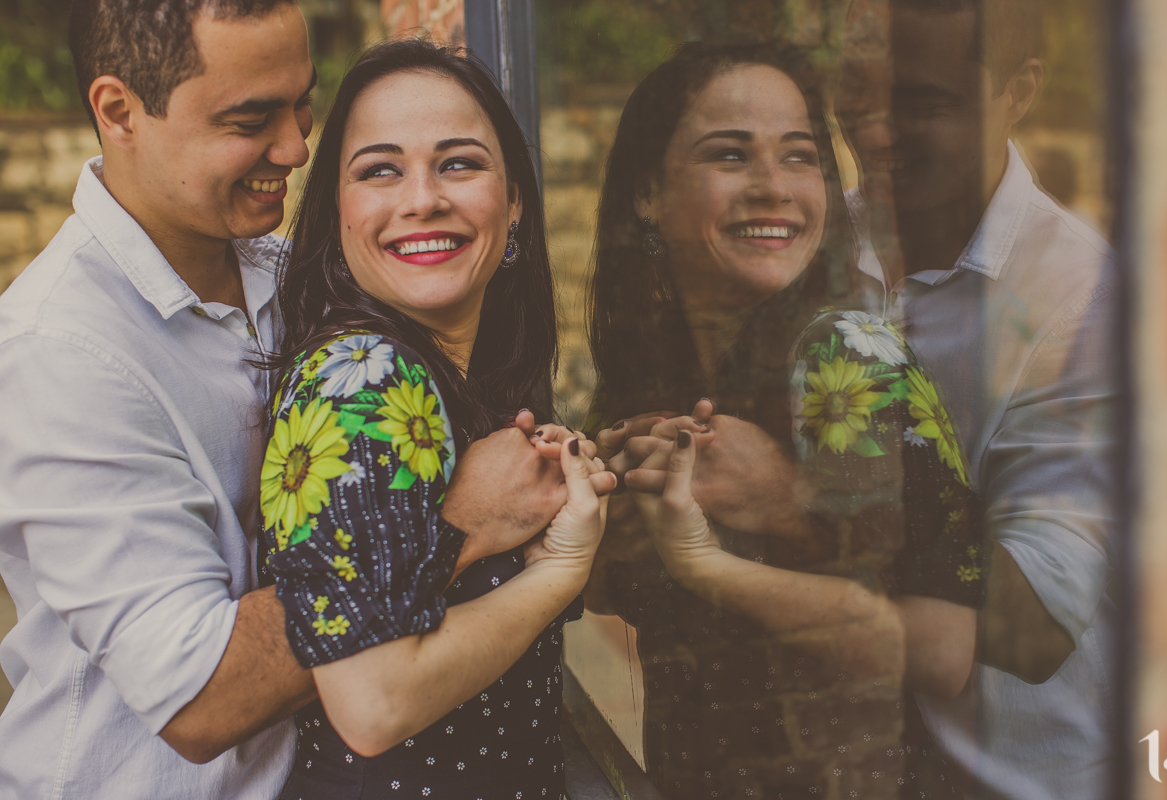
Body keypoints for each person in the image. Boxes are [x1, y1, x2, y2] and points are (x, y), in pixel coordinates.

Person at [0, 3, 578, 797]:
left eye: (301, 102)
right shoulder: (59, 353)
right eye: (250, 118)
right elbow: (200, 699)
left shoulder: (293, 270)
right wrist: (454, 522)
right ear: (119, 110)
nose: (296, 145)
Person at [584, 41, 989, 799]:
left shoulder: (846, 358)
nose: (773, 187)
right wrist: (597, 521)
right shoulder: (654, 372)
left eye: (799, 156)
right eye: (730, 155)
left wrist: (719, 555)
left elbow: (942, 650)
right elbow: (623, 598)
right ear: (648, 189)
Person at [260, 39, 614, 800]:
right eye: (379, 170)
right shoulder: (365, 377)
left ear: (514, 200)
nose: (421, 198)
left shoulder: (464, 386)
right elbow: (373, 703)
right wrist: (557, 572)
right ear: (337, 210)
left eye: (458, 162)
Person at [834, 0, 1117, 797]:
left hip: (1023, 775)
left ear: (1019, 90)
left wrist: (799, 501)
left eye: (923, 103)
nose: (879, 132)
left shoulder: (1085, 301)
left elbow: (1036, 629)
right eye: (860, 95)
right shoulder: (813, 240)